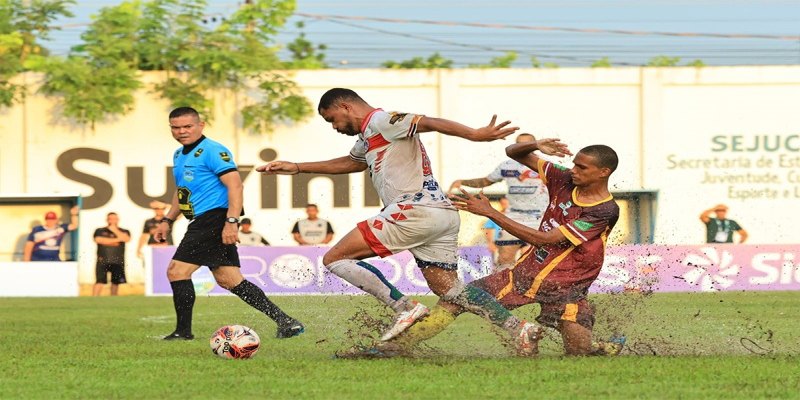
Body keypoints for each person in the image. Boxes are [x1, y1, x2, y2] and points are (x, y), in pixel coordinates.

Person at [257, 88, 541, 352]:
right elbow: (352, 162)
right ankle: (520, 328)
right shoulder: (369, 136)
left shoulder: (382, 120)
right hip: (440, 213)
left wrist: (474, 134)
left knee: (335, 258)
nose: (333, 127)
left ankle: (404, 307)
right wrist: (296, 167)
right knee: (451, 290)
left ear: (345, 106)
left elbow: (428, 122)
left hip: (413, 211)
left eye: (332, 119)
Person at [383, 139, 624, 357]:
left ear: (604, 172)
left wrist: (490, 212)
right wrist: (536, 145)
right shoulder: (564, 178)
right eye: (574, 164)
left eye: (582, 167)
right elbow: (513, 152)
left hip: (566, 286)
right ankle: (395, 347)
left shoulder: (604, 210)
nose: (574, 170)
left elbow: (546, 239)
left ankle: (605, 348)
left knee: (578, 353)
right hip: (524, 274)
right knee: (455, 299)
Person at [153, 106, 303, 341]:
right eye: (176, 127)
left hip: (213, 219)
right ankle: (286, 321)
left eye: (187, 126)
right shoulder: (179, 154)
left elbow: (235, 185)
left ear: (200, 125)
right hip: (206, 220)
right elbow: (183, 192)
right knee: (229, 280)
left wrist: (231, 222)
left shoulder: (213, 150)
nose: (181, 131)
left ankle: (183, 332)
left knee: (177, 271)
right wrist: (167, 220)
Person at [450, 133, 548, 271]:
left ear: (534, 146)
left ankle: (533, 290)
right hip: (513, 217)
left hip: (539, 218)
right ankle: (503, 291)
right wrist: (463, 182)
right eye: (519, 144)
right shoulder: (507, 165)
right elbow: (486, 181)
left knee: (533, 259)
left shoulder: (543, 164)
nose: (522, 148)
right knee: (504, 258)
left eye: (526, 144)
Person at [92, 212, 131, 296]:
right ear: (107, 220)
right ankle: (94, 298)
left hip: (117, 260)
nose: (112, 220)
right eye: (110, 219)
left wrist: (114, 230)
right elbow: (99, 240)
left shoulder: (124, 231)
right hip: (103, 259)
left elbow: (126, 239)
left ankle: (113, 298)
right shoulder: (100, 230)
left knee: (116, 282)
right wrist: (118, 240)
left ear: (118, 220)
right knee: (100, 280)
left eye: (114, 219)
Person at [482, 197, 509, 266]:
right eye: (503, 203)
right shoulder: (496, 215)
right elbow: (488, 229)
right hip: (499, 244)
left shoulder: (516, 216)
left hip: (514, 243)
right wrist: (490, 243)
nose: (505, 205)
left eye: (506, 203)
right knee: (499, 265)